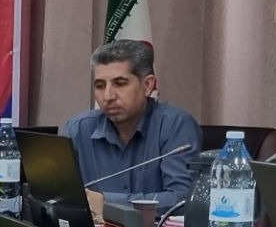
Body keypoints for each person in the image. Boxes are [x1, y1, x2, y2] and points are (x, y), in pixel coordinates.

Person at [59, 40, 199, 209]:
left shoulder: (175, 126)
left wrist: (105, 202)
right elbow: (57, 197)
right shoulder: (77, 129)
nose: (108, 96)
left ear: (147, 85)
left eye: (120, 84)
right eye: (100, 86)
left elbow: (183, 200)